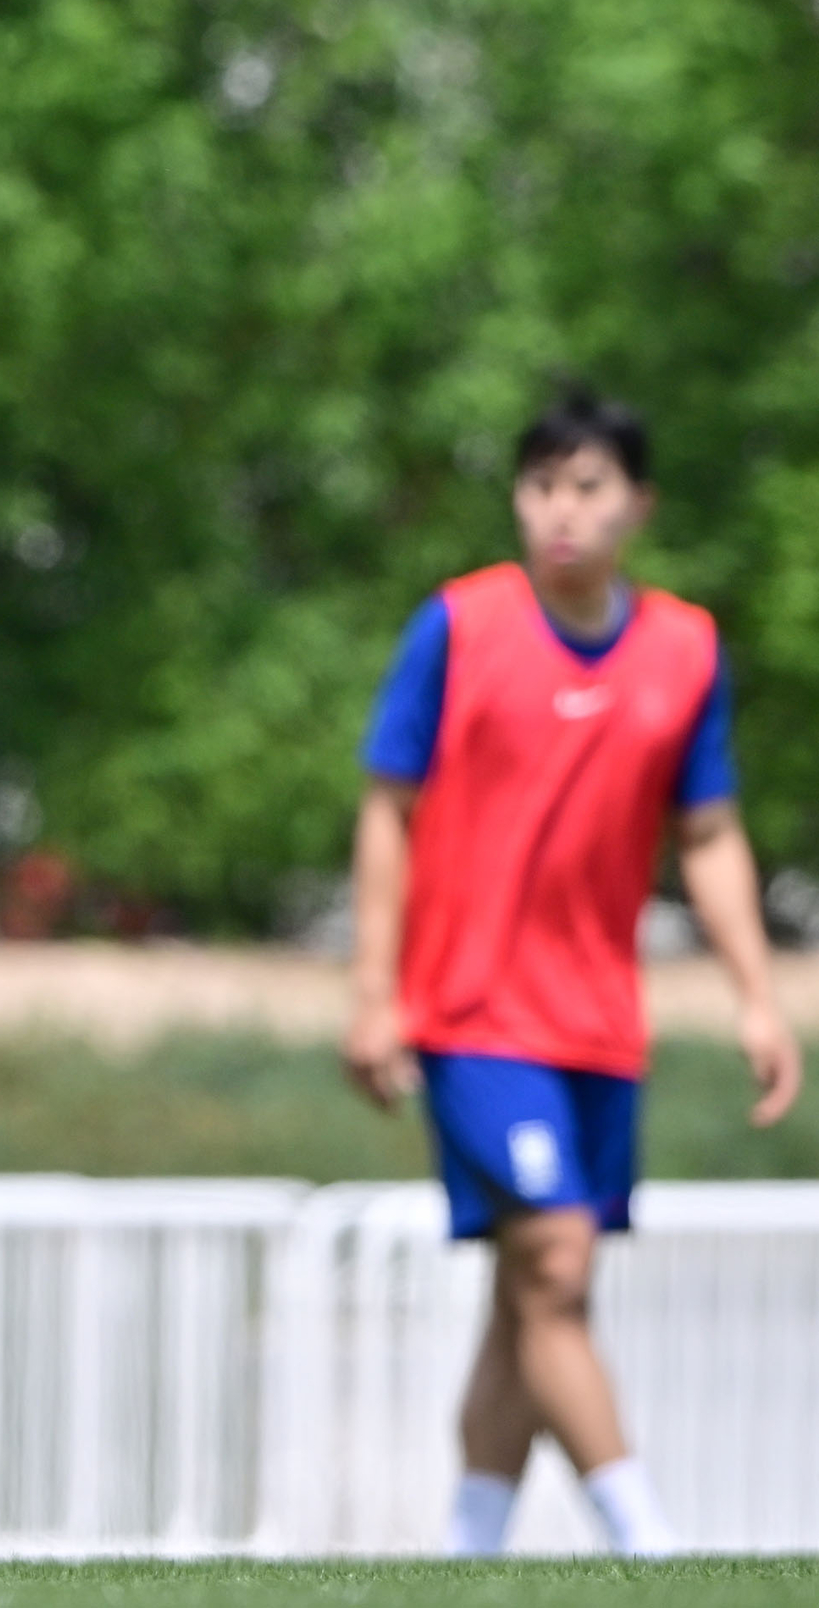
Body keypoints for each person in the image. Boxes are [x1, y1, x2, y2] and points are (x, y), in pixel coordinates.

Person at [343, 387, 801, 1559]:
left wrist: (758, 998)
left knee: (528, 1295)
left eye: (587, 486)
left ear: (635, 504)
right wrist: (373, 989)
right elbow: (386, 809)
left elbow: (705, 835)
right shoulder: (457, 626)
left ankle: (468, 1550)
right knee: (553, 1254)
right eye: (540, 484)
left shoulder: (683, 651)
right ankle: (649, 1542)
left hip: (598, 1020)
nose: (560, 510)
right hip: (472, 1009)